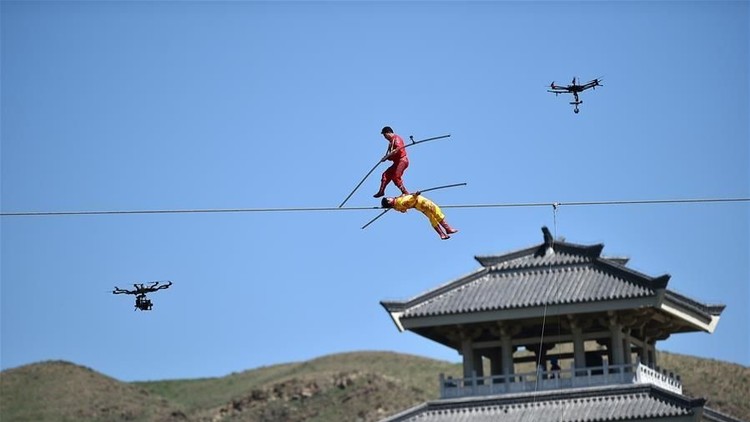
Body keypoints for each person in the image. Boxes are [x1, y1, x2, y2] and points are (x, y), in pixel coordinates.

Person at [381, 191, 458, 240]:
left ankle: (442, 234)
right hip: (423, 203)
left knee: (432, 217)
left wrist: (403, 195)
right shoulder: (400, 203)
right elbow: (409, 201)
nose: (390, 197)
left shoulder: (396, 206)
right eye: (388, 198)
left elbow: (403, 209)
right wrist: (415, 195)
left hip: (420, 207)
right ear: (389, 201)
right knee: (437, 213)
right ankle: (448, 229)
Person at [374, 126, 409, 198]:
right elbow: (391, 156)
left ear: (388, 133)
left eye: (384, 135)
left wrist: (390, 155)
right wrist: (386, 158)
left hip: (402, 161)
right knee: (386, 175)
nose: (384, 137)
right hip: (396, 163)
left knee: (396, 177)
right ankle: (381, 191)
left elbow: (398, 149)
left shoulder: (396, 139)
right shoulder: (390, 143)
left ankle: (405, 193)